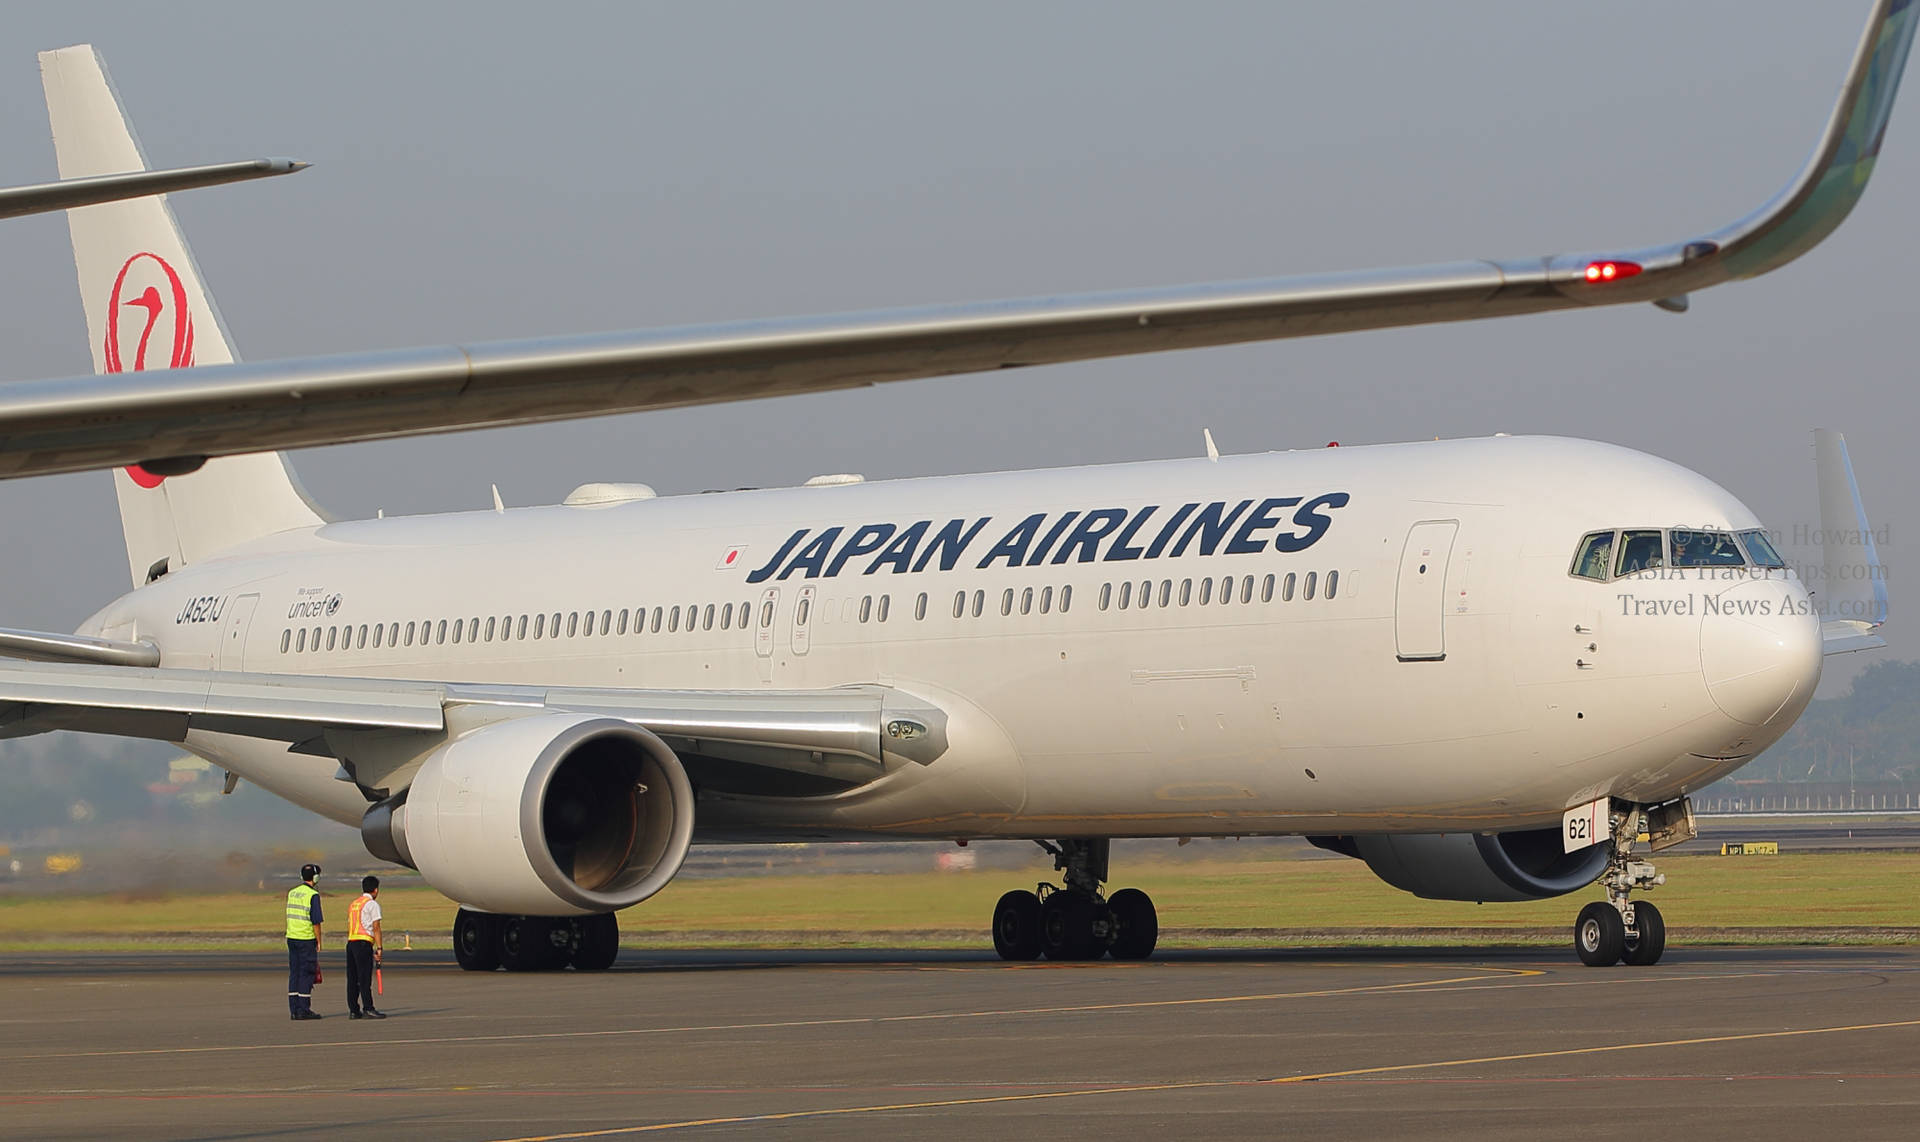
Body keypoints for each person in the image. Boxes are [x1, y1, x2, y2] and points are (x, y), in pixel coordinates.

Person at [285, 863, 324, 1020]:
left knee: (294, 974)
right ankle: (304, 1009)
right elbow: (316, 922)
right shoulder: (312, 895)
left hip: (292, 937)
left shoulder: (292, 893)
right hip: (306, 939)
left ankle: (294, 1009)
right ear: (315, 877)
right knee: (307, 974)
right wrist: (319, 941)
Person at [345, 875, 387, 1019]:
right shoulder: (372, 904)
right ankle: (368, 1008)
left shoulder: (354, 903)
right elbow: (376, 927)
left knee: (352, 978)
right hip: (363, 943)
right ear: (375, 890)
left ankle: (353, 1009)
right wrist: (379, 947)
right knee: (364, 978)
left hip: (351, 942)